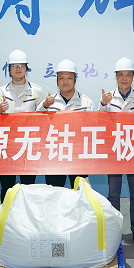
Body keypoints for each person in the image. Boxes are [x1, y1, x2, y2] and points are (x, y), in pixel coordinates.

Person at [99, 57, 134, 243]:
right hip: (114, 152)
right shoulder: (108, 98)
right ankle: (114, 228)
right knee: (114, 193)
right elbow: (99, 122)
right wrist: (103, 104)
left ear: (133, 76)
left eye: (128, 74)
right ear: (116, 77)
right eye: (121, 75)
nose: (124, 78)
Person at [0, 50, 44, 201]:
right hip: (7, 146)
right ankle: (6, 214)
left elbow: (42, 118)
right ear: (9, 69)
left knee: (28, 187)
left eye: (21, 66)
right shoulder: (1, 91)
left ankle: (26, 216)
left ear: (27, 69)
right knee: (7, 187)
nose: (18, 69)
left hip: (28, 145)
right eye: (14, 66)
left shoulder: (36, 91)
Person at [39, 59, 94, 189]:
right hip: (54, 154)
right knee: (54, 193)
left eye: (69, 78)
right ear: (57, 81)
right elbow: (36, 124)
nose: (65, 82)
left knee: (81, 191)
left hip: (78, 154)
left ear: (75, 79)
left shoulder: (87, 102)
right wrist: (44, 106)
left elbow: (93, 128)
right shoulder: (48, 102)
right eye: (61, 78)